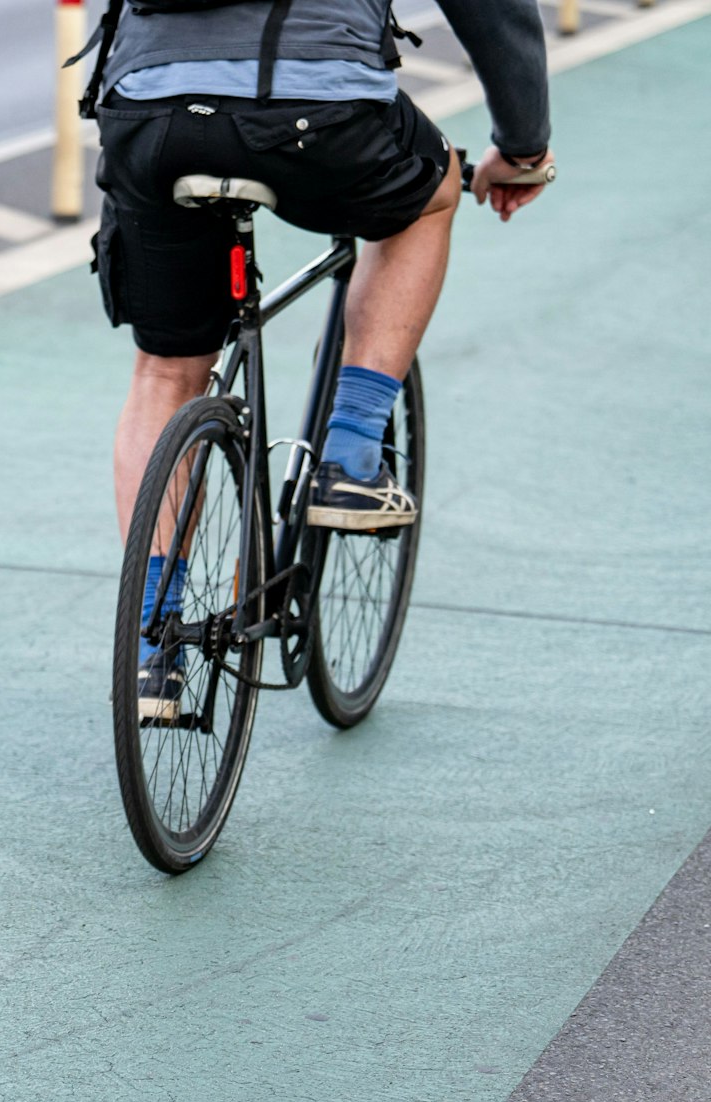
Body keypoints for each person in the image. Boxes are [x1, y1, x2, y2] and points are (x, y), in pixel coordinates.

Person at [86, 0, 554, 709]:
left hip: (151, 116)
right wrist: (523, 145)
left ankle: (155, 645)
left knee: (166, 372)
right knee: (429, 196)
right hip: (317, 114)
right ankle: (353, 454)